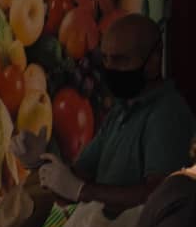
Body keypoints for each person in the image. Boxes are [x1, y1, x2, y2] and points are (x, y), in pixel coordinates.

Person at [39, 15, 196, 213]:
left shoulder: (167, 113)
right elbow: (73, 184)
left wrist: (84, 191)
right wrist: (40, 163)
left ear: (153, 59)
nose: (110, 69)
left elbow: (160, 195)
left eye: (120, 60)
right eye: (105, 59)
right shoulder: (119, 111)